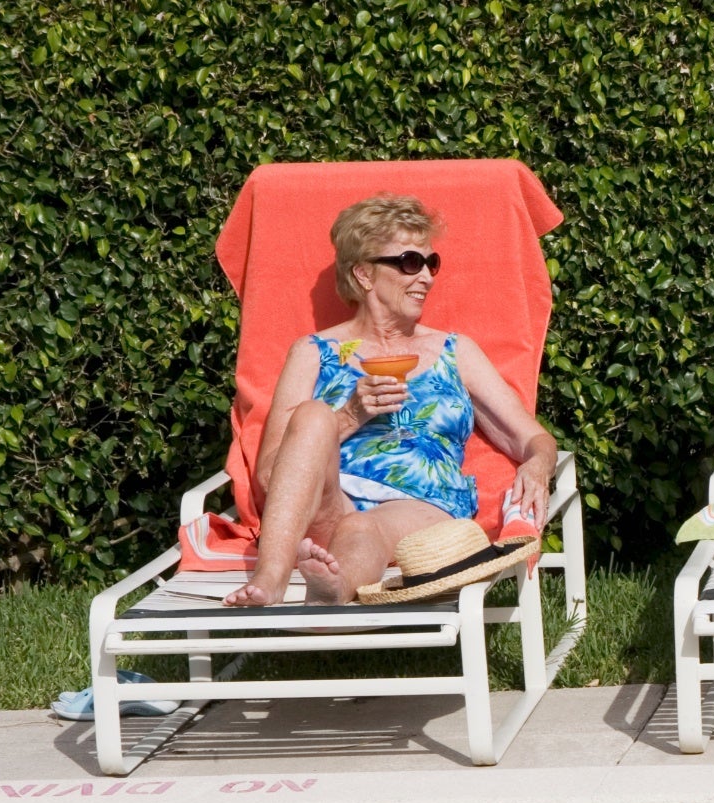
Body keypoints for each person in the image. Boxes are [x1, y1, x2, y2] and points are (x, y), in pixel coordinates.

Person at [226, 194, 555, 606]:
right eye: (410, 263)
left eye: (430, 264)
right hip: (331, 505)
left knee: (363, 530)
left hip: (419, 508)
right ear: (364, 274)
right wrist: (349, 414)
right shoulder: (313, 352)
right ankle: (269, 579)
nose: (427, 278)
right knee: (314, 415)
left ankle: (330, 594)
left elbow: (532, 438)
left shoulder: (455, 351)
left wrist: (539, 466)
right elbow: (271, 477)